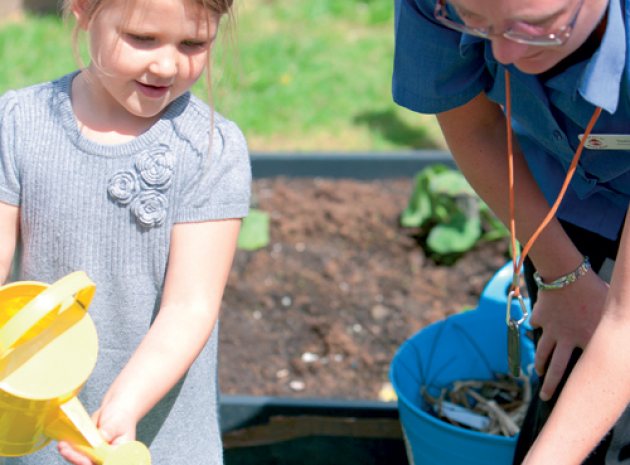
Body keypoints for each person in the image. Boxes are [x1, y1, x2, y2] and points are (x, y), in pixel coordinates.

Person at [0, 0, 251, 464]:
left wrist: (124, 406)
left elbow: (190, 306)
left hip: (159, 440)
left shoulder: (210, 148)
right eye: (142, 38)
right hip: (30, 427)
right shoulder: (18, 126)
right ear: (83, 10)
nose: (166, 64)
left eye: (194, 44)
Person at [392, 0, 630, 463]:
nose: (502, 54)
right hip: (567, 198)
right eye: (477, 24)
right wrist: (565, 276)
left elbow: (624, 328)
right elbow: (473, 123)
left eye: (537, 27)